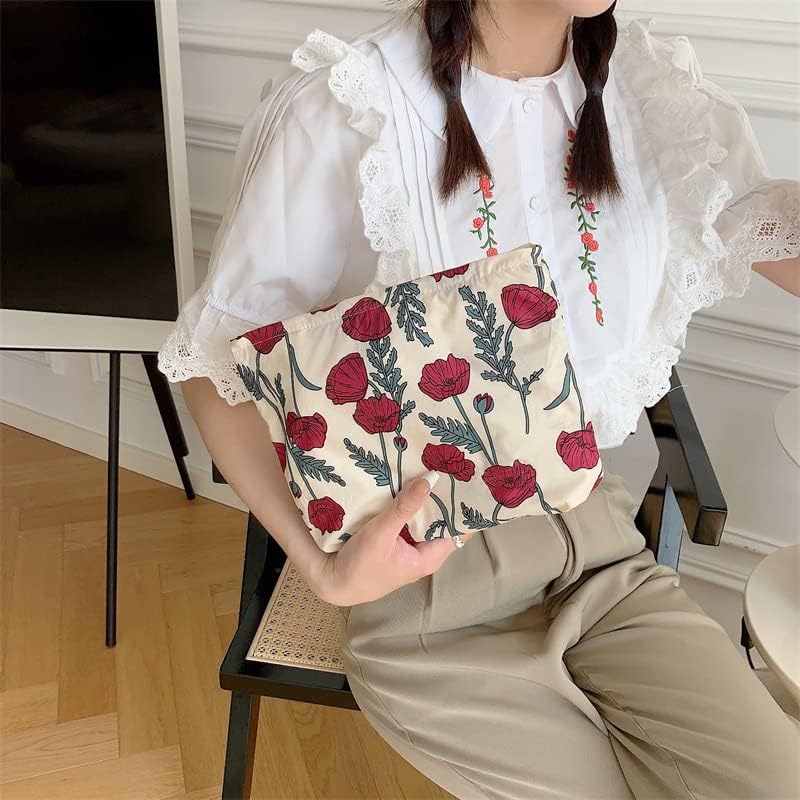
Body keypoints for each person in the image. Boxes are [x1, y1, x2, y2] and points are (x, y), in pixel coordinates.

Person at [158, 1, 800, 797]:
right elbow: (212, 363)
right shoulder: (352, 105)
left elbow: (763, 230)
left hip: (601, 556)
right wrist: (322, 571)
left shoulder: (648, 90)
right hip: (432, 593)